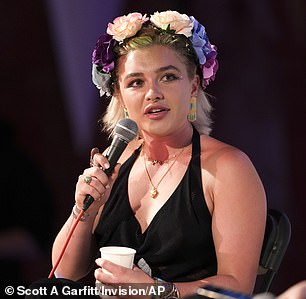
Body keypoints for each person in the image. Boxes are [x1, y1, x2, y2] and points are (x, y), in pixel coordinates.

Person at [51, 10, 267, 298]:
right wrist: (85, 210)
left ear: (193, 86)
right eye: (136, 82)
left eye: (168, 77)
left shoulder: (228, 167)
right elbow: (65, 273)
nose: (153, 93)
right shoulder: (115, 160)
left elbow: (238, 285)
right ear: (120, 97)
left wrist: (158, 291)